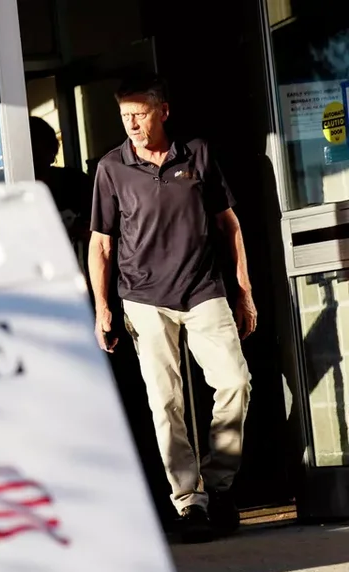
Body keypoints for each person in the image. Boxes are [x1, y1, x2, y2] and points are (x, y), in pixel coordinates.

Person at [87, 73, 255, 543]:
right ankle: (189, 501)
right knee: (165, 402)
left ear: (163, 111)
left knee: (235, 383)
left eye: (139, 115)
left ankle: (219, 484)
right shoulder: (112, 168)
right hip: (142, 298)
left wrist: (243, 290)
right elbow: (101, 245)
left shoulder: (197, 153)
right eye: (125, 117)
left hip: (204, 289)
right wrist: (103, 307)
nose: (132, 125)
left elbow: (230, 226)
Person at [29, 116, 92, 267]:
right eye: (33, 148)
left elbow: (97, 230)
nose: (37, 156)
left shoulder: (74, 180)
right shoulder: (10, 188)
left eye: (42, 147)